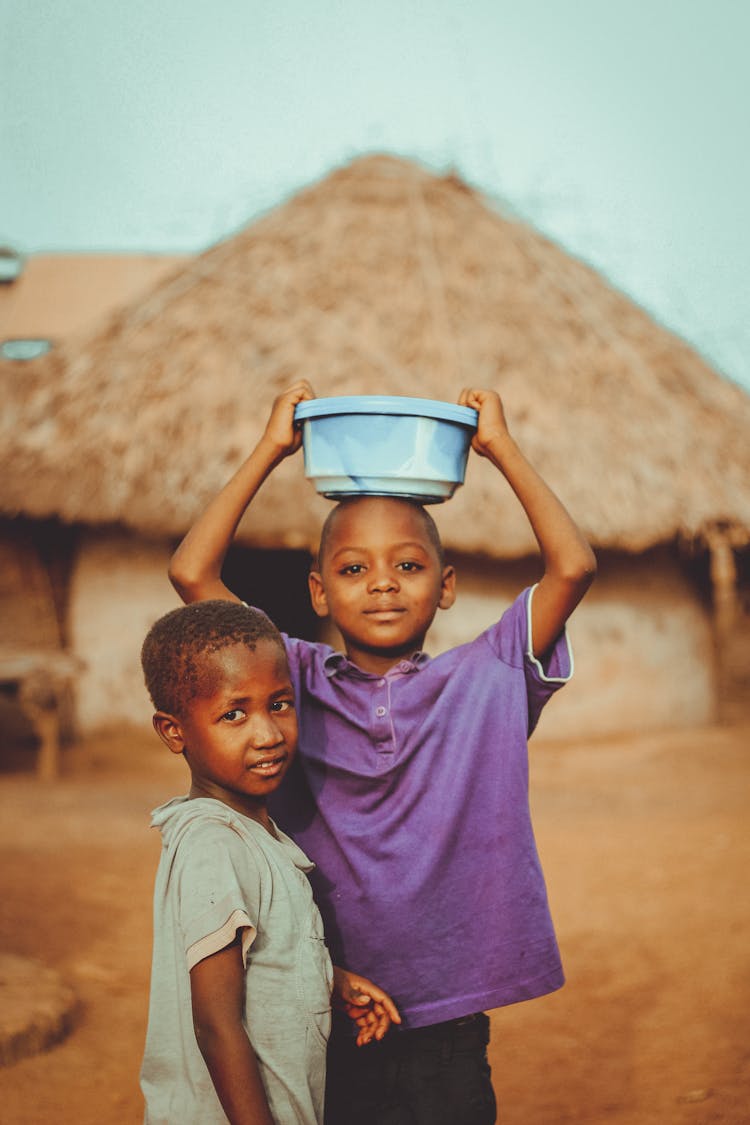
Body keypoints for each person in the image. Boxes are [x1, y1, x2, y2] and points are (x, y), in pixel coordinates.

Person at [168, 382, 597, 1125]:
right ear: (319, 591)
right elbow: (191, 575)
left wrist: (499, 447)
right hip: (326, 998)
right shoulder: (288, 678)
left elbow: (572, 567)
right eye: (354, 569)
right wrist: (273, 447)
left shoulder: (486, 677)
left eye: (407, 566)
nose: (382, 586)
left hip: (449, 1022)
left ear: (447, 585)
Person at [139, 599, 399, 1125]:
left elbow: (257, 957)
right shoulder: (214, 843)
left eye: (278, 704)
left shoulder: (257, 834)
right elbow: (216, 1021)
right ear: (174, 732)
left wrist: (331, 978)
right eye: (234, 714)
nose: (268, 734)